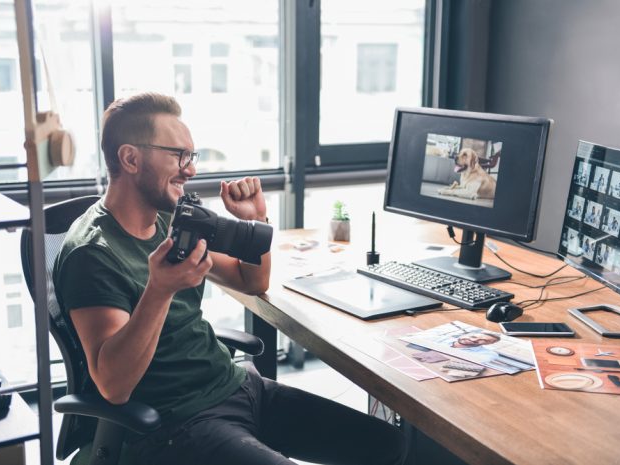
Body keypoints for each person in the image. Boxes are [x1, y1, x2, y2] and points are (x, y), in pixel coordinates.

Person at [53, 93, 404, 465]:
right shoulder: (92, 253)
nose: (190, 170)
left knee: (386, 444)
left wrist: (255, 220)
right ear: (130, 158)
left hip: (235, 385)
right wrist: (160, 289)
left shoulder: (164, 221)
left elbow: (251, 281)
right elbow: (113, 387)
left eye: (192, 156)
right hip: (176, 423)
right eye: (178, 155)